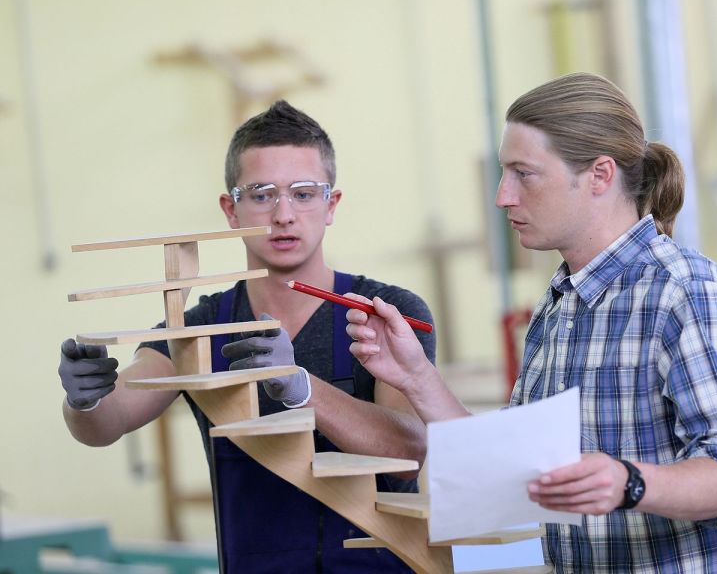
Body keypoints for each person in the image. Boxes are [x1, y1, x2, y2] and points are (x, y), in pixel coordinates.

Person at [345, 72, 717, 573]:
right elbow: (513, 467)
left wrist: (629, 482)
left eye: (523, 173)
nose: (503, 196)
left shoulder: (685, 290)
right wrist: (415, 376)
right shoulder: (560, 303)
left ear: (600, 175)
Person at [57, 100, 434, 573]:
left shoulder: (384, 315)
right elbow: (107, 423)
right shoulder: (199, 328)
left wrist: (301, 387)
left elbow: (408, 451)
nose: (283, 214)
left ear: (331, 204)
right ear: (230, 210)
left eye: (303, 193)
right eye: (261, 194)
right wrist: (85, 399)